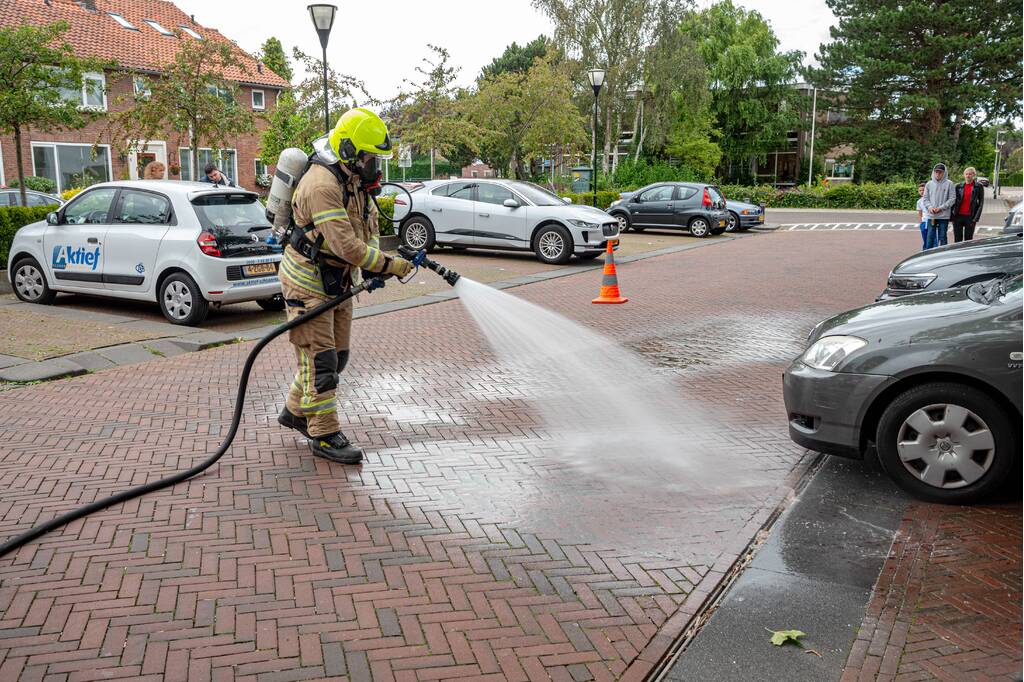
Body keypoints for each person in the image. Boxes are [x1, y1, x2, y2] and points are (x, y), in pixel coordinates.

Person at [276, 108, 413, 464]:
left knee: (338, 358)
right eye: (370, 157)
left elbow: (362, 233)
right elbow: (346, 246)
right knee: (319, 360)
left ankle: (294, 411)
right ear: (351, 151)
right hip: (307, 283)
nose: (374, 165)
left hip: (336, 280)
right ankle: (323, 433)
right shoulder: (322, 185)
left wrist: (376, 265)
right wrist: (391, 266)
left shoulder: (350, 178)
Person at [923, 163, 956, 248]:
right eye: (936, 172)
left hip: (943, 216)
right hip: (932, 215)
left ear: (944, 173)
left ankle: (942, 255)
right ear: (933, 172)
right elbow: (925, 199)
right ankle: (928, 255)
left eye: (940, 172)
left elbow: (952, 199)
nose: (938, 174)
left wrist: (941, 208)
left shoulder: (950, 184)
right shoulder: (929, 184)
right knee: (930, 236)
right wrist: (930, 207)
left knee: (943, 237)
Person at [952, 166, 984, 242]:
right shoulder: (958, 186)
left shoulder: (978, 186)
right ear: (964, 175)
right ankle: (957, 253)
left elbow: (981, 203)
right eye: (966, 174)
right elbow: (953, 201)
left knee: (968, 239)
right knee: (957, 239)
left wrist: (976, 218)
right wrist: (952, 216)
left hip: (970, 217)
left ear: (973, 175)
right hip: (958, 216)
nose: (968, 176)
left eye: (970, 174)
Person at [915, 182, 927, 250]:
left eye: (923, 190)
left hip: (931, 221)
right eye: (920, 190)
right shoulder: (919, 202)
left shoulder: (931, 199)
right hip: (923, 222)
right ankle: (925, 251)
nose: (922, 192)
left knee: (933, 239)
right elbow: (920, 214)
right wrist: (921, 223)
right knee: (925, 239)